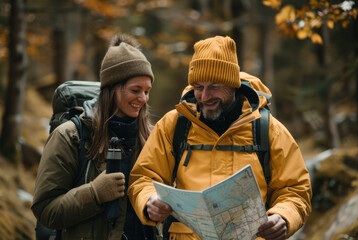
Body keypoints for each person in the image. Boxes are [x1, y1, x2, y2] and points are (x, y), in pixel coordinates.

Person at [128, 36, 312, 240]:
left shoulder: (268, 129)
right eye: (198, 87)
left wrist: (283, 216)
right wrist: (149, 201)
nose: (205, 96)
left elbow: (295, 190)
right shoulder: (173, 125)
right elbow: (143, 178)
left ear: (232, 85)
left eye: (214, 86)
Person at [31, 33, 156, 239]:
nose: (143, 99)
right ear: (113, 88)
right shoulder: (70, 136)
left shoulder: (153, 138)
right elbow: (45, 210)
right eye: (135, 90)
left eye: (147, 91)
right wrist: (94, 194)